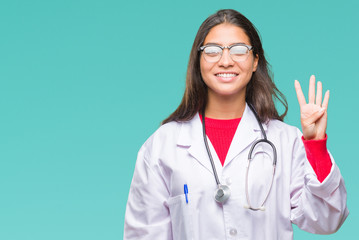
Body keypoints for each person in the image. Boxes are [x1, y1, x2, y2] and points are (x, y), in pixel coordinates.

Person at [124, 9, 348, 240]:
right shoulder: (163, 145)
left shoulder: (285, 141)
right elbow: (144, 234)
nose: (226, 61)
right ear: (198, 61)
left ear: (255, 61)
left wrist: (315, 145)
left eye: (239, 50)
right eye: (212, 51)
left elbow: (327, 220)